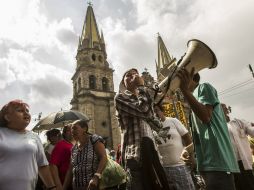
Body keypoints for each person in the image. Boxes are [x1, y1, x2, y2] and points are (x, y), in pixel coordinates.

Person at [177, 68, 239, 190]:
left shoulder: (203, 87)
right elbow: (205, 134)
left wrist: (184, 90)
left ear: (189, 76)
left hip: (218, 163)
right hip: (207, 165)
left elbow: (205, 116)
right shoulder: (193, 99)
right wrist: (190, 150)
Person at [115, 68, 174, 190]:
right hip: (135, 155)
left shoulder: (143, 98)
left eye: (135, 74)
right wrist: (142, 88)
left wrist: (149, 98)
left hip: (152, 153)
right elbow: (144, 111)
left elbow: (158, 125)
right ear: (123, 83)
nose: (133, 76)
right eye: (128, 75)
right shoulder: (120, 97)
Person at [0, 99, 56, 190]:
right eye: (20, 111)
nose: (26, 113)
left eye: (27, 111)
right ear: (7, 117)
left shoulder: (34, 137)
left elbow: (42, 165)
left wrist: (52, 187)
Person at [154, 104, 195, 190]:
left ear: (162, 111)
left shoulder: (173, 121)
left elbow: (187, 138)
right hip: (163, 169)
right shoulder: (152, 128)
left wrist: (191, 156)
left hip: (180, 166)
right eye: (153, 112)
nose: (155, 113)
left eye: (157, 110)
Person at [63, 119, 107, 190]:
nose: (72, 131)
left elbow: (104, 157)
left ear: (84, 129)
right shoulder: (74, 148)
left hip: (93, 186)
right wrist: (64, 187)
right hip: (77, 187)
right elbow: (70, 169)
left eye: (75, 128)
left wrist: (96, 177)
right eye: (71, 129)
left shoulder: (94, 140)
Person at [222, 103, 254, 190]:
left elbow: (252, 131)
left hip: (245, 162)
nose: (223, 110)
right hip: (231, 164)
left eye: (224, 108)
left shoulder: (239, 122)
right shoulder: (219, 127)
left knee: (250, 185)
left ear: (227, 110)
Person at [50, 124, 75, 189]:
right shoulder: (61, 145)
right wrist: (58, 185)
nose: (72, 131)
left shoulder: (77, 144)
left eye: (73, 129)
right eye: (68, 130)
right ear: (64, 133)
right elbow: (53, 165)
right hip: (64, 183)